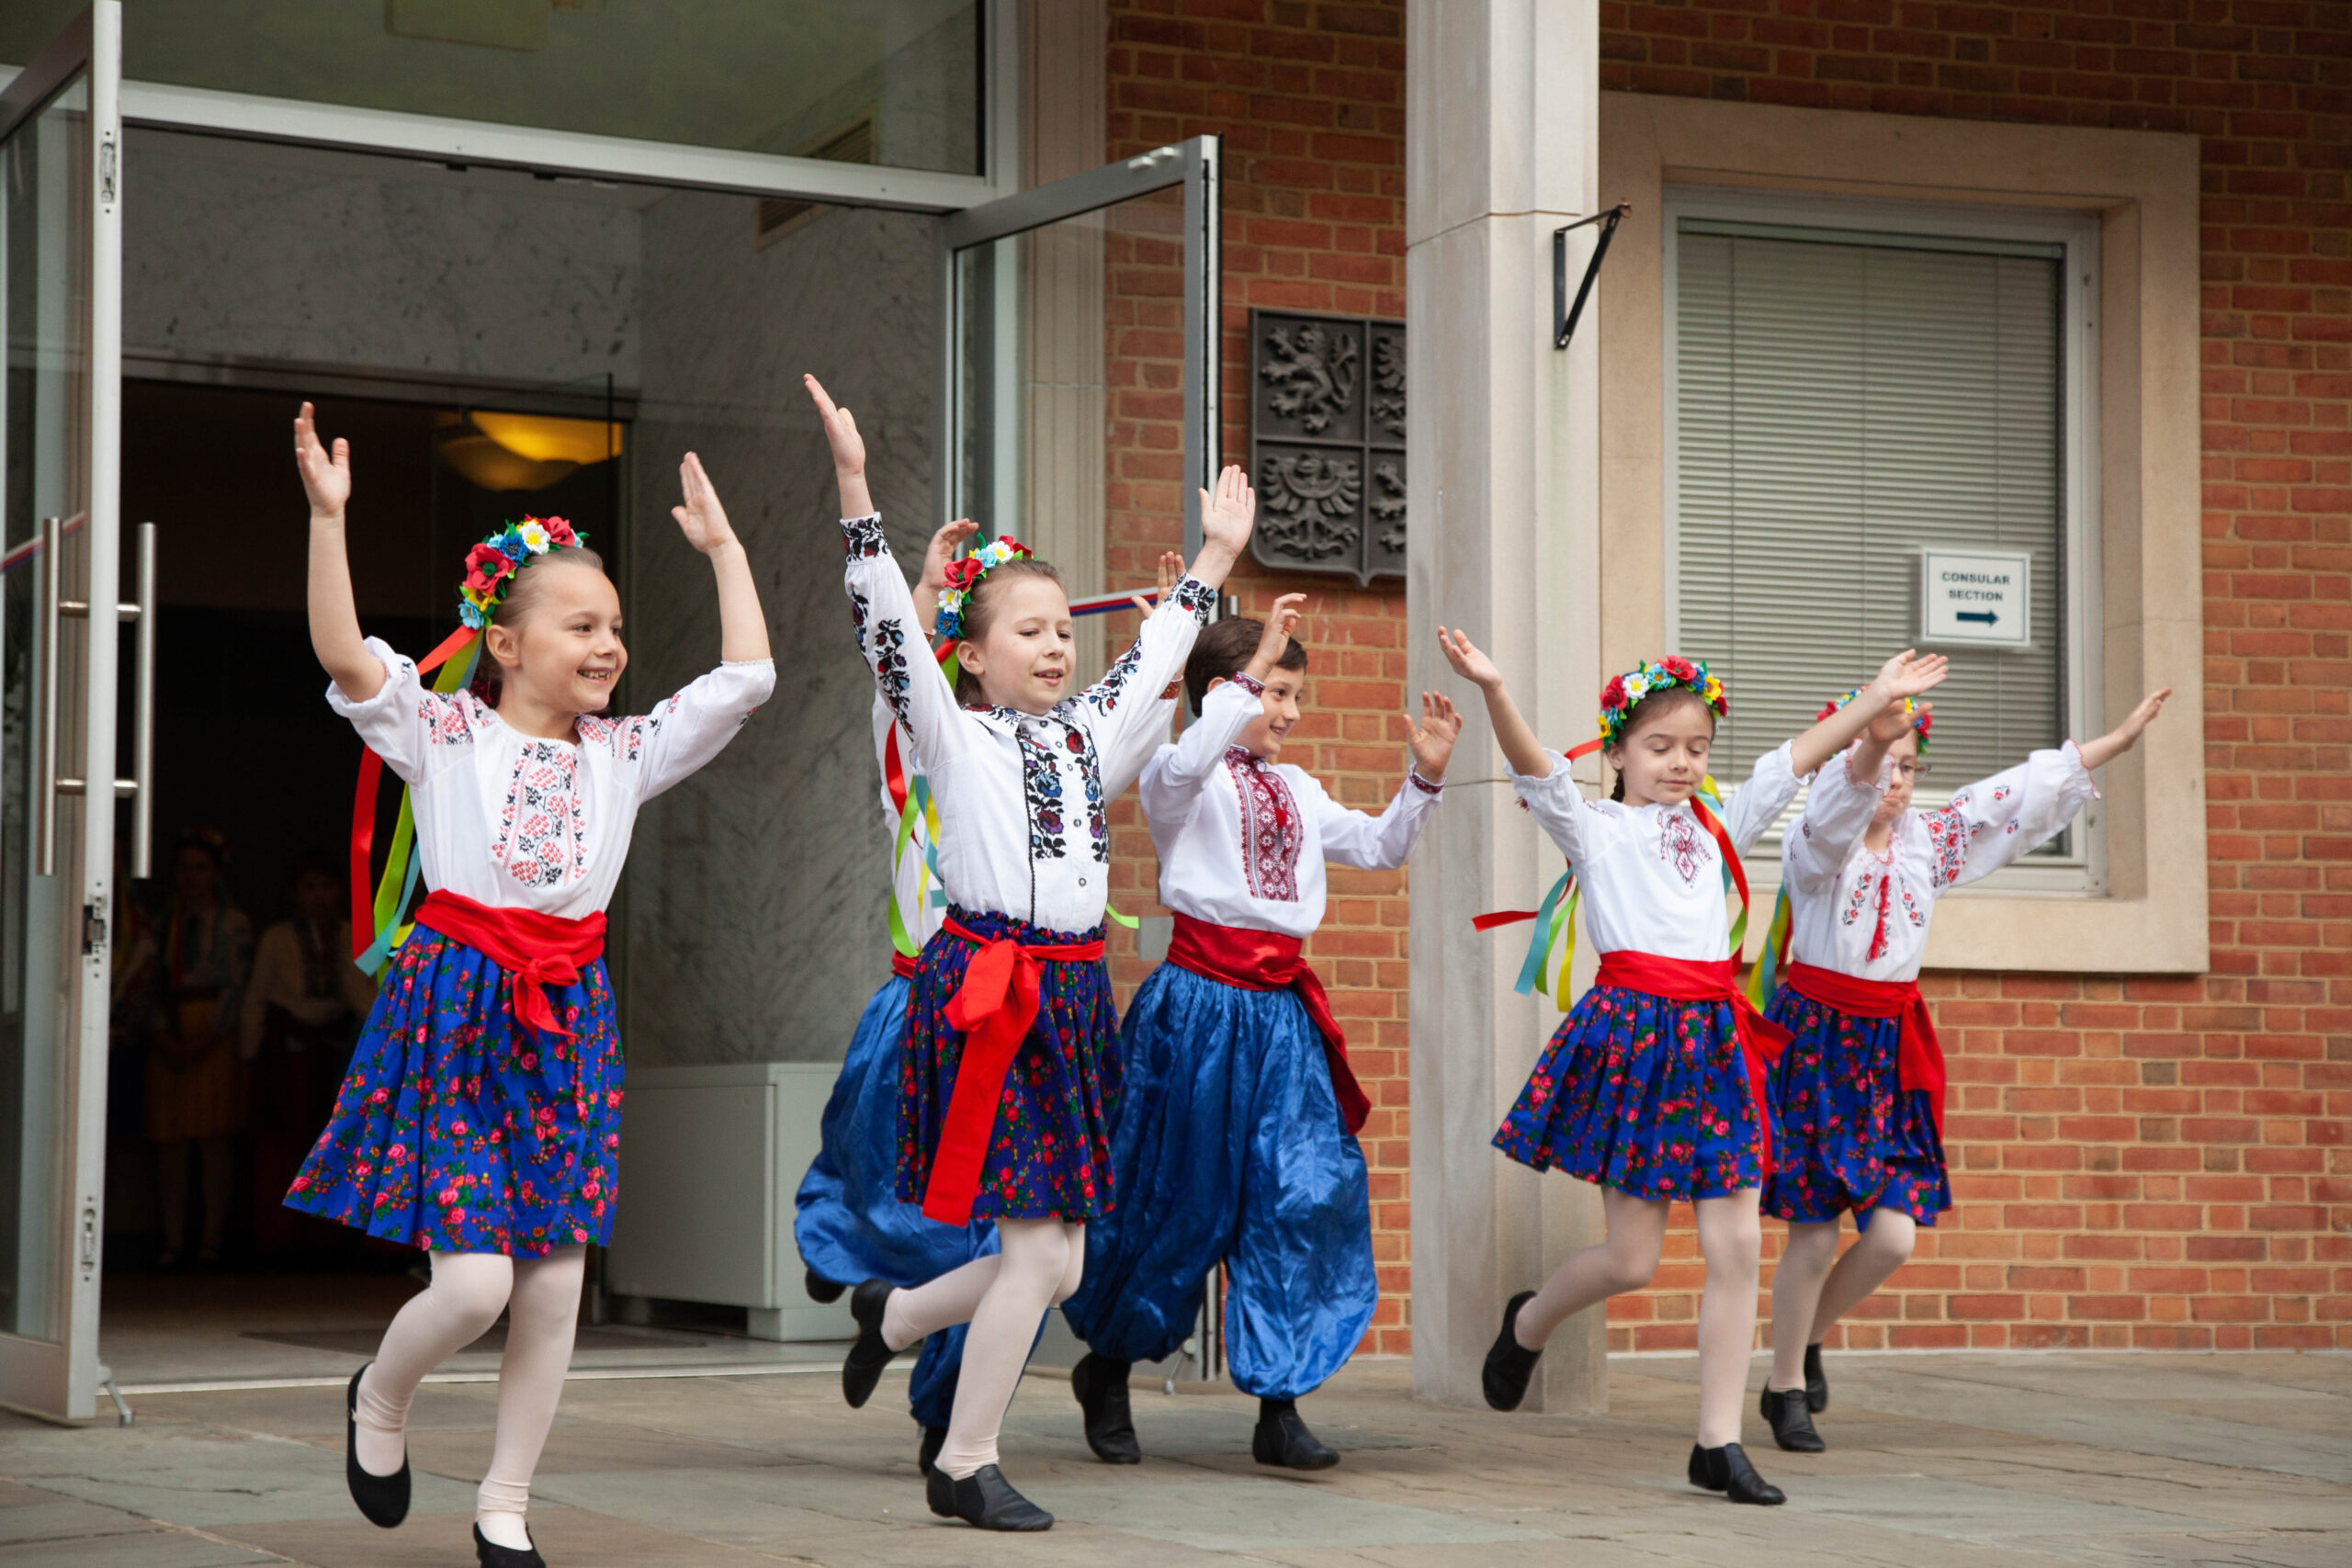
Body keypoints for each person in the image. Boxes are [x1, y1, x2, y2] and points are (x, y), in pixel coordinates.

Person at [281, 402, 774, 1568]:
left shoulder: (625, 752)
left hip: (568, 1021)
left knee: (553, 1286)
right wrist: (327, 521)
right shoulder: (446, 732)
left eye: (615, 627)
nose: (608, 645)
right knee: (474, 1285)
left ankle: (504, 1503)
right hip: (458, 1009)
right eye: (580, 624)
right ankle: (381, 1396)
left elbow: (748, 679)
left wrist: (724, 552)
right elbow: (345, 656)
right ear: (503, 644)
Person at [808, 371, 1250, 1530]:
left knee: (1059, 1262)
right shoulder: (949, 735)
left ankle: (899, 1317)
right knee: (1035, 1251)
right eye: (1028, 630)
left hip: (1068, 996)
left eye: (1062, 629)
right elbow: (888, 633)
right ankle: (965, 1461)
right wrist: (857, 494)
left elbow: (1153, 658)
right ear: (970, 653)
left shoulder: (1083, 733)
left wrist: (1214, 558)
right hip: (987, 990)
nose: (1056, 646)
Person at [1437, 631, 1946, 1506]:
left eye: (1697, 748)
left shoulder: (1720, 825)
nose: (1681, 763)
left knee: (1738, 1244)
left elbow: (1795, 762)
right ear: (1618, 752)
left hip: (1716, 1044)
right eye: (1661, 746)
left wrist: (1872, 702)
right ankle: (1530, 1320)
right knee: (1631, 1259)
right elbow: (1534, 766)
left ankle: (1717, 1442)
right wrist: (1493, 688)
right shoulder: (1596, 827)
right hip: (1637, 1044)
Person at [1061, 599, 1458, 1470]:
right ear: (1224, 692)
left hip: (1281, 1018)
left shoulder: (1299, 788)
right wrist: (1244, 672)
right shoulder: (1179, 776)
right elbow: (1197, 748)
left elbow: (1380, 847)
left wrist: (1423, 779)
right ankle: (1110, 1367)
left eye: (1294, 694)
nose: (1290, 711)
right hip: (1197, 1011)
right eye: (1277, 691)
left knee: (1300, 1194)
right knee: (1171, 1195)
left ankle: (1280, 1402)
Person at [1756, 684, 2172, 1452]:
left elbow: (2007, 797)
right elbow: (1842, 804)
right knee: (1812, 1237)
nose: (1895, 780)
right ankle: (1784, 1388)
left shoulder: (1927, 842)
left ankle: (1803, 1338)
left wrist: (2110, 744)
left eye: (1909, 765)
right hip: (1817, 1045)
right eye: (1881, 761)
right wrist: (1869, 740)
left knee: (1893, 1238)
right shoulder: (1817, 844)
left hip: (1886, 1049)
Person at [243, 851, 378, 1257]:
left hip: (341, 1054)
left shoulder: (355, 935)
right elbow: (256, 997)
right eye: (309, 888)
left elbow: (366, 995)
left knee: (338, 1141)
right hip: (290, 1056)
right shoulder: (277, 937)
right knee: (286, 1141)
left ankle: (332, 1240)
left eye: (327, 887)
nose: (319, 896)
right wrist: (247, 1058)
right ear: (295, 894)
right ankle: (281, 1238)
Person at [147, 829, 254, 1269]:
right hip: (169, 1032)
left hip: (212, 1035)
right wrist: (162, 1035)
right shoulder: (162, 924)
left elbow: (237, 987)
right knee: (170, 1142)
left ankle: (211, 1239)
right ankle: (172, 1241)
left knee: (213, 1140)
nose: (191, 877)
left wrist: (204, 1039)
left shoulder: (233, 923)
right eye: (183, 869)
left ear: (216, 874)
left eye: (200, 868)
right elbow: (149, 983)